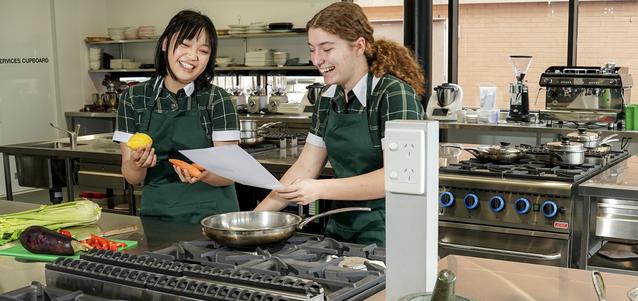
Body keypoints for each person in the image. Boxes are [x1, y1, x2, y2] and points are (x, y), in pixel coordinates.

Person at [255, 2, 425, 246]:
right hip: (341, 228)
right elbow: (304, 168)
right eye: (312, 49)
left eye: (326, 49)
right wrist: (254, 220)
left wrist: (320, 189)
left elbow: (395, 177)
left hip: (389, 232)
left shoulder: (393, 95)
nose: (317, 60)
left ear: (359, 46)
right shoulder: (328, 98)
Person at [113, 10, 239, 223]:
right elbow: (132, 177)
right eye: (185, 44)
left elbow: (229, 173)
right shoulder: (133, 98)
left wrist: (202, 174)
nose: (193, 56)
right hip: (157, 216)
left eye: (203, 50)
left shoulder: (217, 99)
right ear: (164, 44)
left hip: (213, 219)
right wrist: (137, 164)